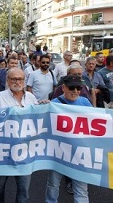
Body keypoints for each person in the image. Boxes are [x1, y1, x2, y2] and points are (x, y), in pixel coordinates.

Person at [0, 67, 49, 203]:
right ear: (7, 80)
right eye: (13, 79)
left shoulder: (32, 98)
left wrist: (44, 107)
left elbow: (37, 121)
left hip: (25, 153)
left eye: (20, 79)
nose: (17, 81)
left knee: (23, 190)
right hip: (3, 153)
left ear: (24, 80)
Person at [45, 75, 92, 203]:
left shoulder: (85, 102)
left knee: (81, 189)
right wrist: (42, 108)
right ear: (64, 88)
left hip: (80, 153)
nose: (76, 91)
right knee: (53, 185)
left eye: (79, 88)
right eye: (72, 88)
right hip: (59, 153)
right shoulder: (53, 104)